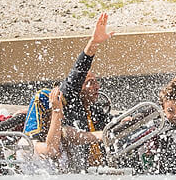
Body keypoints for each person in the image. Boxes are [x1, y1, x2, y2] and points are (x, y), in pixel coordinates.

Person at [20, 13, 113, 171]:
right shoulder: (28, 145)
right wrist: (57, 111)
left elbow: (87, 135)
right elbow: (51, 149)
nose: (64, 116)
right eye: (60, 114)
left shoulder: (66, 130)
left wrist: (121, 125)